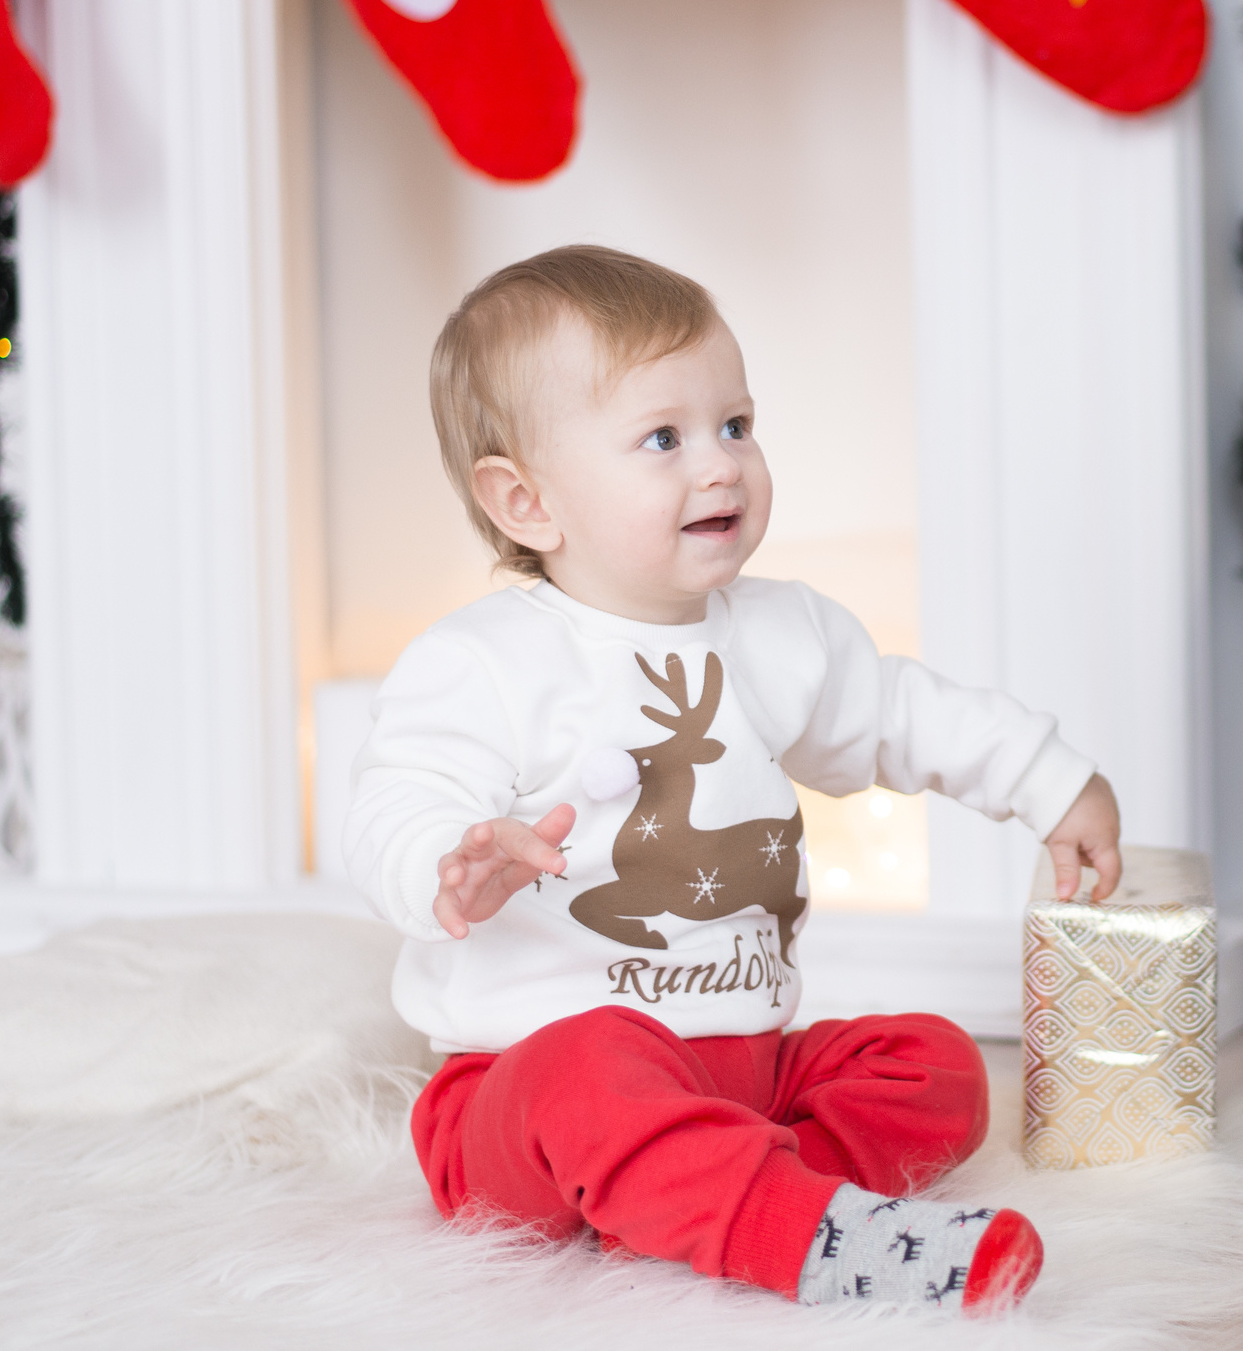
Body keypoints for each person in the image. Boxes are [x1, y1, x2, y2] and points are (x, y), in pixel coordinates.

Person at [343, 245, 1123, 1312]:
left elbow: (898, 713)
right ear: (525, 500)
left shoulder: (779, 628)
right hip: (525, 1092)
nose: (719, 464)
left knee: (936, 1064)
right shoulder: (485, 658)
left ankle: (698, 1188)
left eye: (736, 425)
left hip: (745, 1069)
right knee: (590, 1067)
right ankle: (812, 1236)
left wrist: (1045, 776)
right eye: (662, 437)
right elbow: (401, 790)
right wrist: (448, 858)